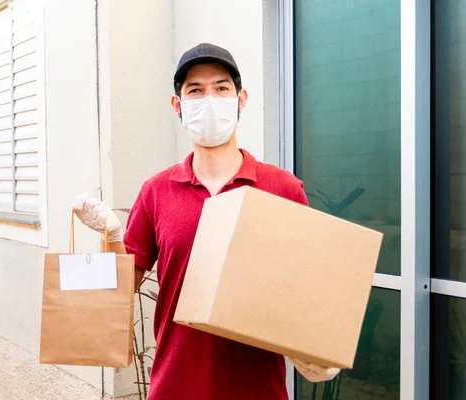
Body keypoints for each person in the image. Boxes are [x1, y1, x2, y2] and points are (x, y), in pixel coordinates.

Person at [73, 43, 340, 400]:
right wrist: (111, 238)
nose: (209, 98)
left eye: (221, 88)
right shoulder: (156, 191)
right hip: (174, 388)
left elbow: (308, 288)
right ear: (177, 105)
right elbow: (120, 292)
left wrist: (317, 347)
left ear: (241, 99)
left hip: (259, 390)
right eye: (195, 91)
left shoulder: (282, 188)